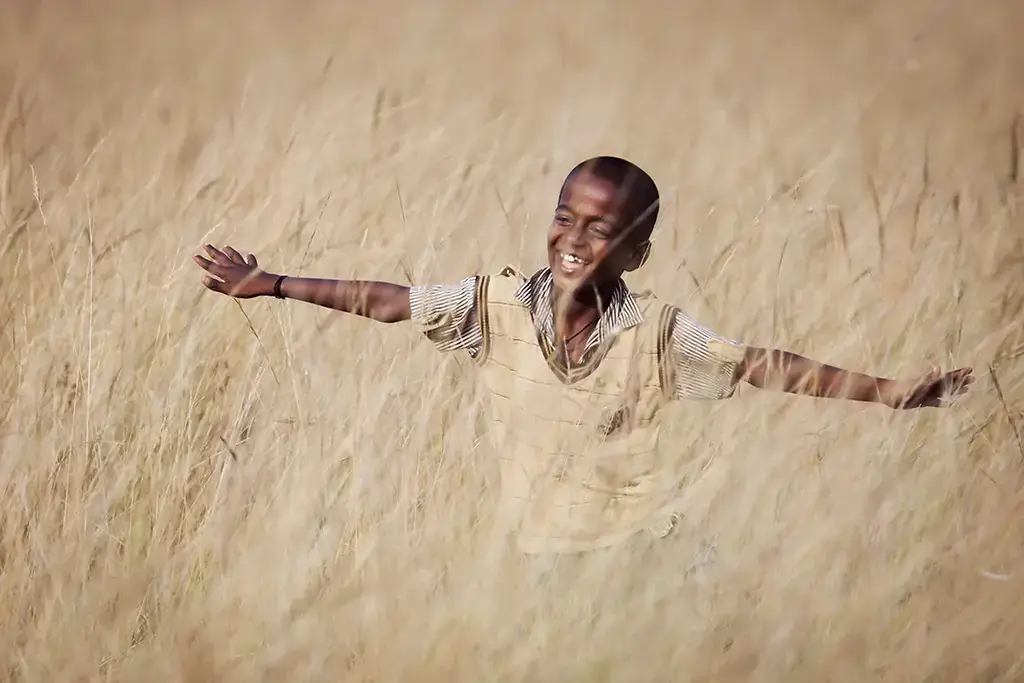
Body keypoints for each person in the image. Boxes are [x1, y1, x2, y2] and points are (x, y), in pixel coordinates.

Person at [192, 155, 974, 556]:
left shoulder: (657, 332)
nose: (573, 238)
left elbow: (762, 363)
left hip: (648, 550)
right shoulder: (491, 305)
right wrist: (277, 283)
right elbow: (393, 299)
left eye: (600, 229)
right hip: (541, 554)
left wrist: (892, 392)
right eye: (565, 217)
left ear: (636, 252)